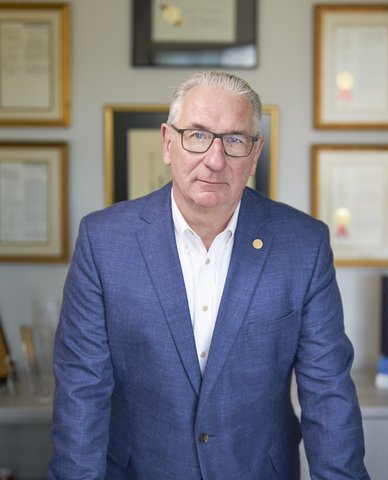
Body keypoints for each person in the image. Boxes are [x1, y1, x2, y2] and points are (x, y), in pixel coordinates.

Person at [48, 71, 369, 479]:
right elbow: (81, 391)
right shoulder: (103, 241)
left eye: (234, 139)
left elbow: (328, 392)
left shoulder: (304, 245)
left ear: (255, 153)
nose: (215, 160)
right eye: (197, 135)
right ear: (168, 142)